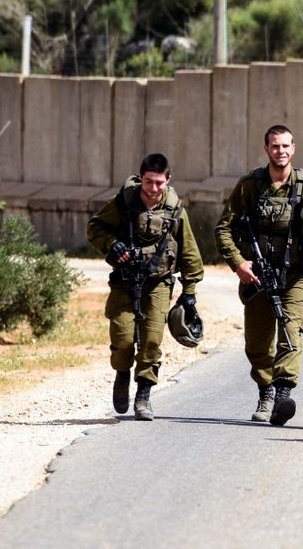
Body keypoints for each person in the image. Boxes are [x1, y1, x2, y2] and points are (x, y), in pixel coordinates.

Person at [214, 125, 303, 426]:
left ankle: (282, 395)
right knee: (257, 344)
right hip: (258, 278)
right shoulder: (250, 187)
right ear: (267, 149)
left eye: (285, 146)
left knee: (291, 335)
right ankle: (265, 390)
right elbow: (223, 229)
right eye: (275, 146)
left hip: (296, 277)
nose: (280, 151)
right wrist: (238, 263)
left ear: (293, 148)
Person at [87, 153, 204, 421]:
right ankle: (122, 373)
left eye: (159, 183)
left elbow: (189, 251)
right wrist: (112, 244)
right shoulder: (124, 203)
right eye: (148, 182)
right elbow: (95, 227)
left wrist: (189, 292)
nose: (153, 189)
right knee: (122, 337)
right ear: (141, 179)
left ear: (168, 180)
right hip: (125, 282)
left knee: (152, 340)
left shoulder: (174, 210)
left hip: (158, 284)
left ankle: (143, 395)